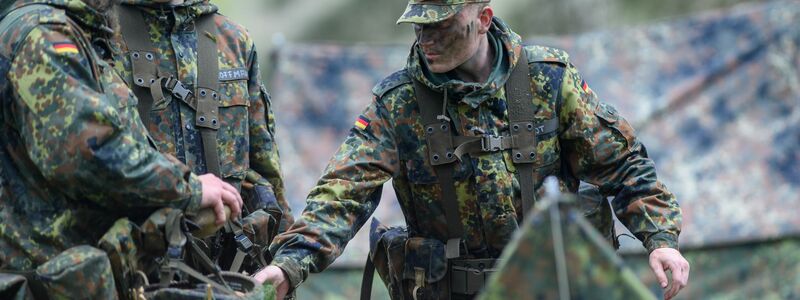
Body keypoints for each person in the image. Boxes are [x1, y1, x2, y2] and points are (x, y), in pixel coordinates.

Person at [257, 1, 689, 299]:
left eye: (441, 25)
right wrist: (290, 263)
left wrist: (660, 239)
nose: (426, 38)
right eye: (419, 25)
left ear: (483, 18)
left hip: (553, 287)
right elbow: (342, 193)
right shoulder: (398, 104)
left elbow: (623, 164)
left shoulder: (548, 80)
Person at [0, 0, 241, 274]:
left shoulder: (61, 30)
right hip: (48, 279)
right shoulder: (43, 36)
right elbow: (88, 155)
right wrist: (189, 188)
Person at [109, 0, 293, 273]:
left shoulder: (233, 40)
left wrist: (281, 261)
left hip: (227, 269)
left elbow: (264, 164)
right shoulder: (99, 38)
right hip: (132, 269)